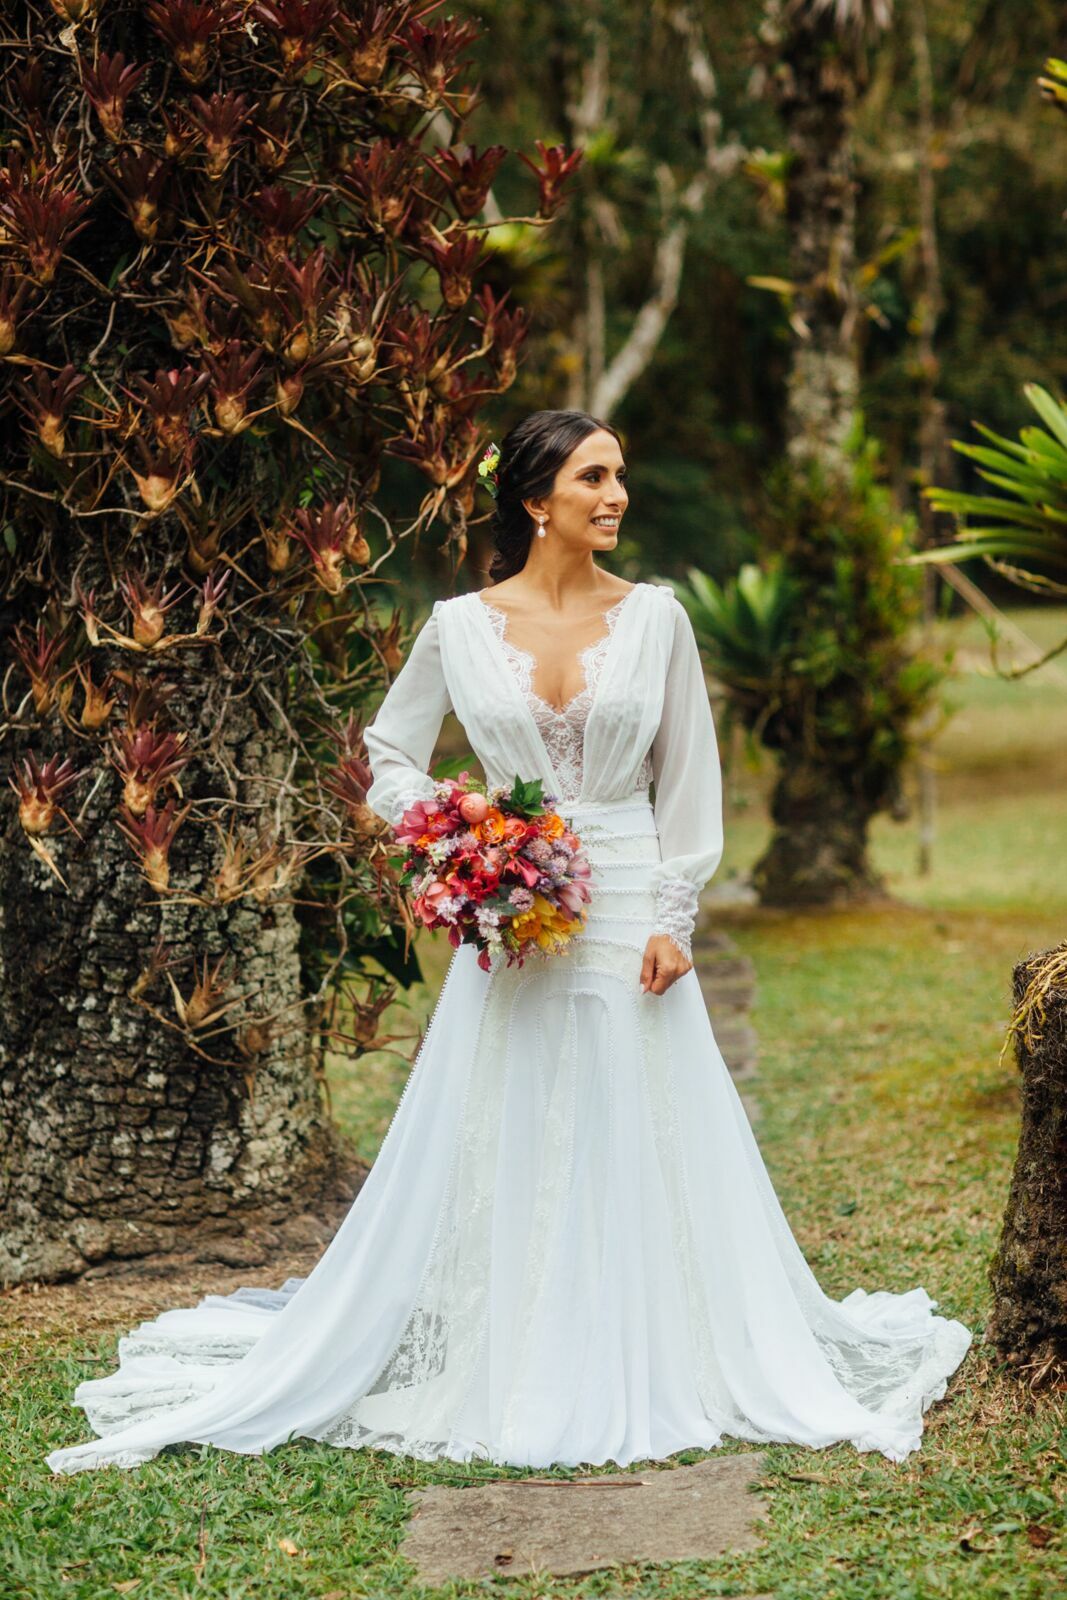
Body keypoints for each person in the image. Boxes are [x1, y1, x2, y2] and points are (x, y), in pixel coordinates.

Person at [45, 409, 972, 1476]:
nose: (615, 494)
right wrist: (453, 826)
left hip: (627, 902)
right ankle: (523, 1345)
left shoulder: (659, 620)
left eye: (619, 474)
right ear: (536, 501)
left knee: (638, 1114)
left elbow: (689, 777)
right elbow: (388, 749)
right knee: (519, 1112)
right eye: (592, 477)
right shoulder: (455, 626)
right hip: (511, 914)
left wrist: (676, 916)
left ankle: (655, 1343)